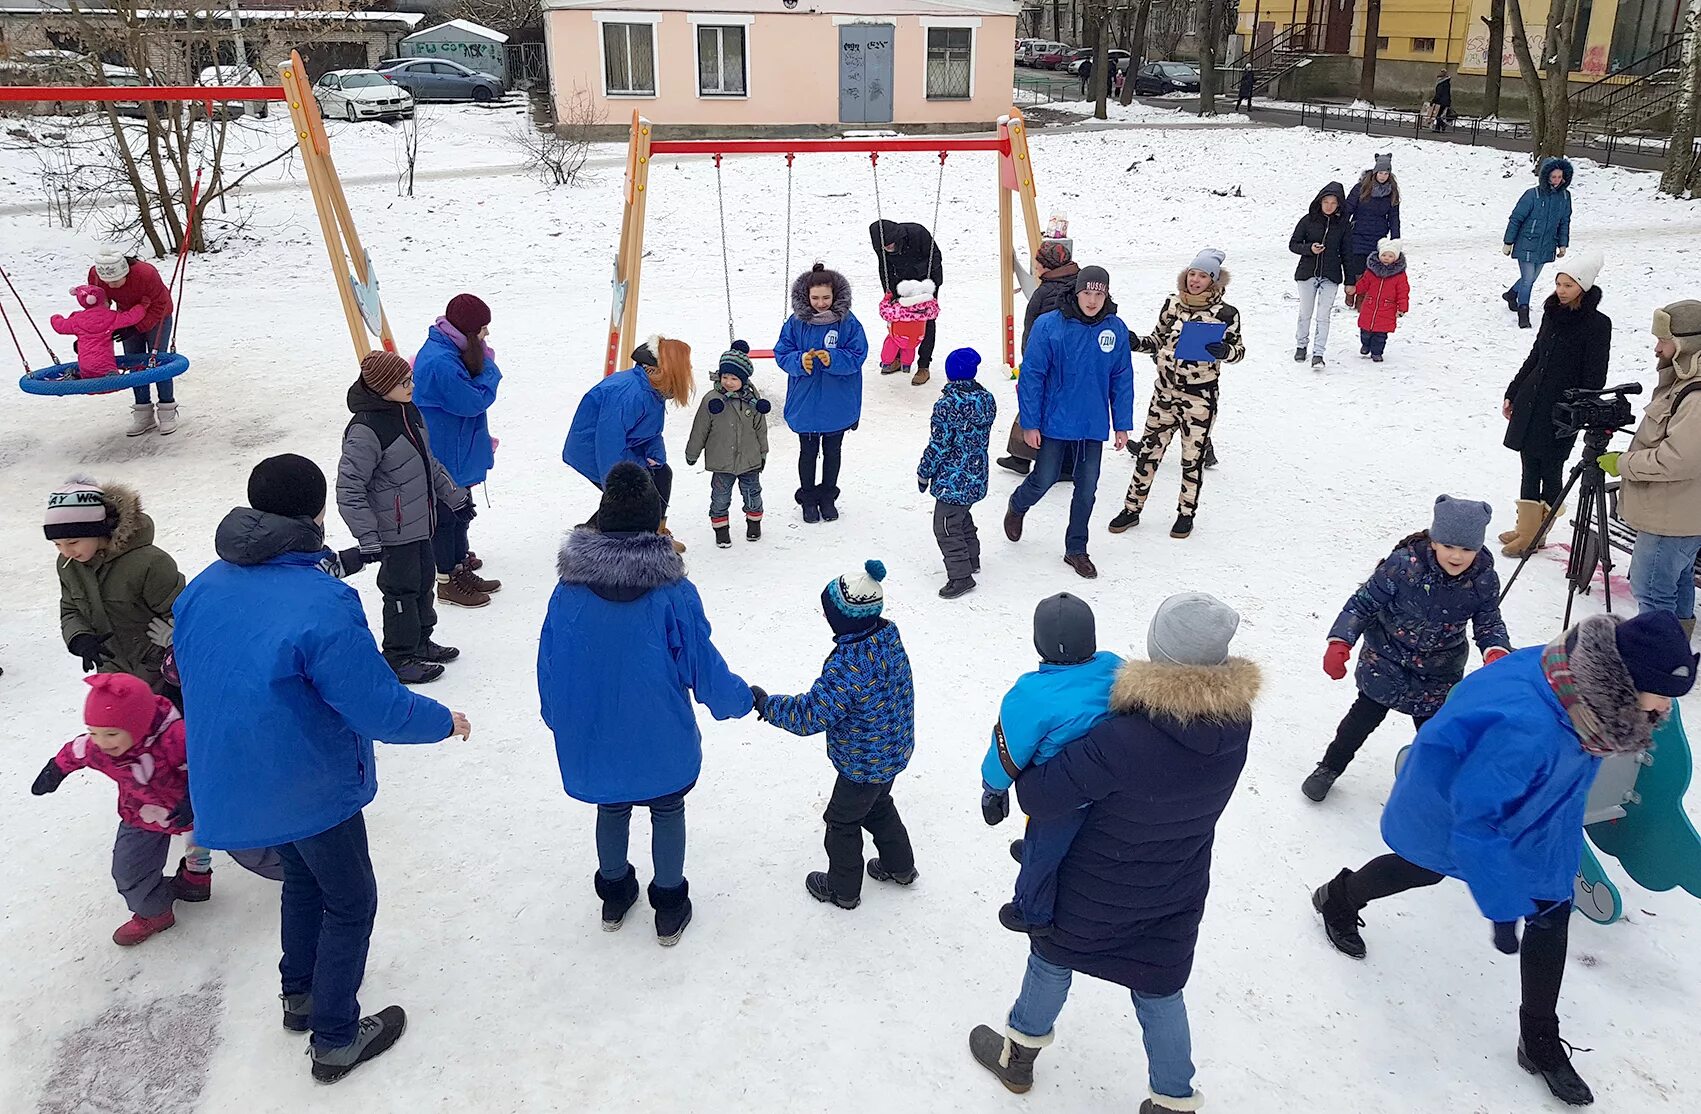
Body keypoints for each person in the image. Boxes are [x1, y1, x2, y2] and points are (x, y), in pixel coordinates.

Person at [1312, 610, 1695, 1107]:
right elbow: (1477, 821)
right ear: (1622, 681)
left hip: (1543, 804)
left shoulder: (1579, 683)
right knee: (1422, 870)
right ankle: (1338, 898)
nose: (1664, 708)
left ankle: (1538, 1041)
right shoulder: (1530, 727)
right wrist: (1499, 902)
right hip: (1454, 806)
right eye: (1660, 693)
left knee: (1551, 913)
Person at [173, 453, 470, 1084]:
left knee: (306, 883)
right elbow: (375, 706)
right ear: (315, 513)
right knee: (351, 899)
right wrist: (443, 722)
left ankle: (301, 995)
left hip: (234, 775)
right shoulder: (323, 601)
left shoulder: (200, 588)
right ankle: (335, 1036)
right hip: (305, 779)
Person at [969, 593, 1258, 1114]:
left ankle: (1019, 1057)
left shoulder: (1123, 738)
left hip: (1094, 886)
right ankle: (1173, 1099)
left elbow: (1038, 796)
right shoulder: (1235, 725)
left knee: (1051, 960)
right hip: (1175, 884)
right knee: (1160, 989)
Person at [539, 462, 754, 946]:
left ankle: (614, 894)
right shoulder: (671, 593)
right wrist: (742, 699)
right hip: (659, 732)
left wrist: (558, 717)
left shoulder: (567, 592)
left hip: (594, 731)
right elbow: (701, 663)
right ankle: (669, 903)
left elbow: (550, 660)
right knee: (667, 807)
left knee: (611, 807)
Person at [28, 672, 283, 946]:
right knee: (129, 870)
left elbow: (216, 762)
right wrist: (55, 769)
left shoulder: (177, 738)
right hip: (142, 812)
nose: (101, 741)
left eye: (111, 733)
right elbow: (76, 750)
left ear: (138, 725)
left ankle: (312, 876)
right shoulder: (99, 747)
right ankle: (154, 912)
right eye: (94, 731)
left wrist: (196, 797)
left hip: (206, 808)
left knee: (258, 854)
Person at [1302, 496, 1513, 803]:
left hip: (1439, 672)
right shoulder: (1404, 565)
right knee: (1359, 721)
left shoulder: (1482, 579)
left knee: (1440, 734)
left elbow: (1489, 621)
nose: (1457, 556)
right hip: (1386, 660)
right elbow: (1363, 603)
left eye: (1467, 549)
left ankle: (1448, 787)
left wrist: (1496, 651)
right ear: (1434, 540)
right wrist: (1340, 641)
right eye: (1449, 546)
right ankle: (1329, 767)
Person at [751, 560, 917, 910]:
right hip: (893, 749)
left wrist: (767, 705)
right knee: (879, 805)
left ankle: (843, 890)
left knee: (841, 822)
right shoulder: (888, 636)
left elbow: (811, 714)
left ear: (843, 619)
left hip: (862, 763)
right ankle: (899, 866)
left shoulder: (848, 665)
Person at [979, 593, 1123, 935]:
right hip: (1109, 779)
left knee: (1043, 855)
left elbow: (1009, 750)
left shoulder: (1032, 694)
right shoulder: (1115, 666)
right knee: (1082, 835)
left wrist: (993, 789)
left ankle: (1032, 910)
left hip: (1059, 791)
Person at [337, 351, 472, 685]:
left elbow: (428, 462)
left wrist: (455, 497)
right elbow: (349, 487)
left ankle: (421, 641)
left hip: (420, 523)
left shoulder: (408, 412)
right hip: (392, 532)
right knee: (400, 592)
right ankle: (398, 656)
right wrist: (367, 537)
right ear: (383, 387)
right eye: (403, 382)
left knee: (424, 583)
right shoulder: (365, 430)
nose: (411, 385)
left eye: (409, 379)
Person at [1004, 265, 1134, 580]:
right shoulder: (1050, 325)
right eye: (1087, 292)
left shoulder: (1114, 329)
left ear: (1106, 295)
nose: (1092, 300)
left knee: (1087, 488)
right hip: (1055, 419)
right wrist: (1030, 423)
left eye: (1099, 293)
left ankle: (1076, 549)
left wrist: (1122, 424)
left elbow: (1121, 378)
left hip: (1091, 422)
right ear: (1076, 292)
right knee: (1044, 478)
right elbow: (1032, 375)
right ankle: (1018, 504)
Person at [1113, 248, 1245, 540]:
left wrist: (1226, 352)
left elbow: (1239, 351)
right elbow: (1157, 340)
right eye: (1191, 274)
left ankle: (1186, 514)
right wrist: (1135, 342)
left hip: (1199, 398)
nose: (1195, 280)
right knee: (1147, 453)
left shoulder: (1226, 313)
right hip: (1165, 394)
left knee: (1191, 459)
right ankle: (1132, 509)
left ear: (1213, 281)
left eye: (1202, 276)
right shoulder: (1172, 304)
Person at [1599, 300, 1701, 634]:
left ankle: (1658, 669)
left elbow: (1678, 458)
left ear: (1686, 343)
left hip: (1671, 518)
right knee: (1678, 583)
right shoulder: (1682, 381)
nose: (1657, 348)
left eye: (1664, 340)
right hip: (1679, 513)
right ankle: (1675, 652)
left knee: (1653, 593)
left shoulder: (1696, 395)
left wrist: (1624, 463)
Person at [1500, 249, 1610, 558]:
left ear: (1583, 287)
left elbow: (1594, 376)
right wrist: (1514, 389)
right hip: (1532, 400)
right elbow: (1535, 356)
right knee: (1527, 463)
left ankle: (1539, 531)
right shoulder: (1552, 313)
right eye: (1559, 284)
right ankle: (1526, 528)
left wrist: (1574, 408)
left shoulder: (1597, 324)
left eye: (1568, 285)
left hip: (1560, 410)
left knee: (1550, 466)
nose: (1561, 291)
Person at [47, 476, 184, 696]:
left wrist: (175, 640)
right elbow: (71, 608)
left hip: (159, 674)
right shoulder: (69, 565)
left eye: (72, 542)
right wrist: (80, 637)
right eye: (57, 545)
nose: (65, 552)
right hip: (111, 672)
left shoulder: (149, 563)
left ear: (97, 530)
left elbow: (183, 612)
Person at [411, 293, 503, 608]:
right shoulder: (440, 362)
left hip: (456, 448)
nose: (486, 335)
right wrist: (489, 368)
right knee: (448, 516)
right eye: (482, 329)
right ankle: (447, 579)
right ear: (466, 331)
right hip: (446, 452)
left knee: (461, 511)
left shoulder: (451, 351)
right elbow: (472, 401)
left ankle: (460, 564)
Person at [563, 335, 694, 550]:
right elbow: (608, 444)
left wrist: (655, 456)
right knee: (633, 491)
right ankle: (632, 538)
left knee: (662, 474)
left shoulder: (653, 389)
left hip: (626, 447)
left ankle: (652, 531)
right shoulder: (628, 394)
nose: (688, 369)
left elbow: (650, 431)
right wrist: (615, 482)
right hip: (594, 450)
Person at [774, 262, 868, 524]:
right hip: (805, 401)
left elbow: (858, 355)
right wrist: (800, 361)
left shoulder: (848, 323)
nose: (821, 303)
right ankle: (808, 496)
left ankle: (828, 495)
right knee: (807, 451)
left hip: (837, 401)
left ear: (835, 295)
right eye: (815, 298)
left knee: (833, 451)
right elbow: (782, 353)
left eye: (826, 297)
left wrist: (833, 358)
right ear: (806, 297)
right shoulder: (795, 323)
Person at [918, 347, 997, 598]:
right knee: (961, 518)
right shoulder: (986, 399)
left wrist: (924, 471)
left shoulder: (947, 405)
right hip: (976, 476)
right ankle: (972, 559)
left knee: (945, 526)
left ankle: (961, 576)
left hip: (953, 479)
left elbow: (939, 444)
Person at [1000, 240, 1080, 477]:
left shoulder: (1047, 291)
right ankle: (1064, 465)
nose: (1034, 266)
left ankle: (1022, 458)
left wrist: (1030, 359)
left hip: (1046, 362)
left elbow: (1035, 329)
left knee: (1033, 405)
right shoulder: (1076, 283)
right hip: (1071, 363)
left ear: (1046, 265)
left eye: (1036, 262)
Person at [684, 341, 772, 548]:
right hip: (721, 462)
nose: (729, 382)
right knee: (720, 497)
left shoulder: (752, 401)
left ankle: (754, 523)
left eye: (734, 378)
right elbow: (700, 429)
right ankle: (721, 530)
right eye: (725, 377)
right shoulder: (712, 400)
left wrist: (763, 453)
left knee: (752, 494)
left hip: (749, 460)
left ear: (744, 379)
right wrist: (692, 453)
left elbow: (761, 428)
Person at [88, 250, 178, 436]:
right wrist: (95, 334)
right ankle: (143, 413)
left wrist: (136, 328)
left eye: (116, 281)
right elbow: (98, 308)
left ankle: (167, 410)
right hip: (126, 317)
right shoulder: (95, 276)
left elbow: (160, 304)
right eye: (108, 282)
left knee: (157, 362)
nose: (111, 285)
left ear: (126, 272)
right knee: (135, 363)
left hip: (158, 315)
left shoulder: (146, 274)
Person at [869, 219, 944, 385]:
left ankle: (924, 366)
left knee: (926, 321)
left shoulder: (918, 233)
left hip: (926, 283)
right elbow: (885, 268)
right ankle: (897, 358)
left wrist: (923, 287)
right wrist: (889, 292)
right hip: (901, 284)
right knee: (898, 319)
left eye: (890, 245)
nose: (888, 249)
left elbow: (936, 258)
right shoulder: (880, 245)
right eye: (884, 247)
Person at [1503, 157, 1575, 329]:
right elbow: (1516, 219)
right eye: (1553, 177)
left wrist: (1562, 244)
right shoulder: (1532, 195)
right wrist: (1508, 241)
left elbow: (1564, 221)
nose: (1557, 180)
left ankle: (1512, 294)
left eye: (1560, 177)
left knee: (1532, 278)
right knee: (1528, 280)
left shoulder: (1565, 197)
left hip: (1547, 245)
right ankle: (1523, 312)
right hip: (1527, 242)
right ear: (1545, 177)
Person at [1289, 182, 1352, 368]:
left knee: (1324, 315)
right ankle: (1301, 345)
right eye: (1326, 201)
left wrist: (1350, 281)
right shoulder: (1308, 220)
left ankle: (1318, 353)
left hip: (1331, 275)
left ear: (1339, 204)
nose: (1329, 206)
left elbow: (1348, 254)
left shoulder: (1344, 225)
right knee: (1305, 312)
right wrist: (1309, 249)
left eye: (1333, 202)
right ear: (1320, 201)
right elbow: (1293, 244)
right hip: (1307, 272)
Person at [51, 284, 145, 379]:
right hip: (106, 365)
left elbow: (60, 326)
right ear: (103, 300)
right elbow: (131, 317)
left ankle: (75, 377)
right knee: (110, 382)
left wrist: (56, 317)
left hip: (85, 365)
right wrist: (142, 306)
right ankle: (112, 377)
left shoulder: (77, 320)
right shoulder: (111, 316)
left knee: (89, 381)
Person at [1343, 153, 1401, 293]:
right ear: (1375, 172)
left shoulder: (1391, 192)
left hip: (1378, 235)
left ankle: (1363, 297)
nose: (1383, 176)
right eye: (1380, 172)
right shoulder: (1361, 188)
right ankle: (1352, 292)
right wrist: (1341, 228)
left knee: (1371, 267)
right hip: (1358, 232)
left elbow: (1394, 216)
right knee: (1357, 265)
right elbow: (1348, 208)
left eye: (1386, 173)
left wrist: (1395, 239)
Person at [1354, 236, 1410, 362]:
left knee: (1380, 335)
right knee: (1365, 331)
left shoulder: (1399, 276)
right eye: (1384, 255)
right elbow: (1364, 283)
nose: (1387, 258)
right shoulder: (1371, 271)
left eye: (1390, 256)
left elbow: (1403, 292)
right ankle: (1365, 345)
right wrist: (1355, 290)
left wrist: (1402, 308)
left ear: (1395, 258)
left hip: (1387, 308)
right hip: (1369, 305)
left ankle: (1377, 352)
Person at [876, 279, 939, 378]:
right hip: (916, 337)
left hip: (898, 336)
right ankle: (906, 365)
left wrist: (886, 299)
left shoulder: (899, 309)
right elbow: (935, 313)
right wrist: (932, 301)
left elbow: (885, 313)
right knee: (910, 346)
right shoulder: (926, 309)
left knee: (891, 341)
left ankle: (886, 362)